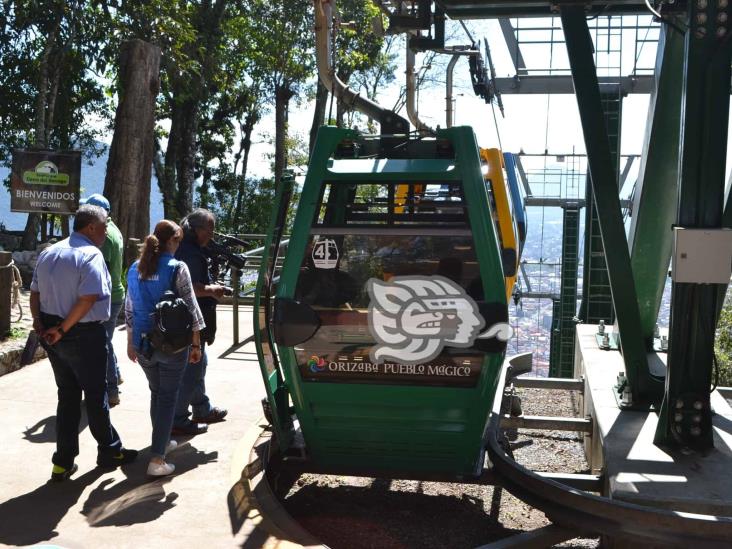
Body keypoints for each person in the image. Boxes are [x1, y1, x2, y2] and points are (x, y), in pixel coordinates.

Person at [30, 204, 138, 481]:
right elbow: (89, 297)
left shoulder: (49, 252)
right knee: (95, 395)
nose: (106, 232)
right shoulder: (90, 254)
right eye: (103, 227)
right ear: (90, 227)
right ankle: (110, 450)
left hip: (53, 331)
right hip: (81, 333)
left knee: (67, 397)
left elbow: (35, 293)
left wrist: (41, 324)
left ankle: (63, 462)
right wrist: (63, 329)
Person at [126, 220, 205, 476]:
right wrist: (196, 344)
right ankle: (157, 460)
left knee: (157, 392)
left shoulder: (135, 268)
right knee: (168, 397)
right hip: (171, 344)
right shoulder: (177, 268)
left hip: (142, 343)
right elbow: (192, 309)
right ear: (172, 241)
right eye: (179, 240)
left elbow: (129, 310)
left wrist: (130, 342)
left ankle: (161, 443)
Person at [172, 209, 228, 435]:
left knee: (198, 363)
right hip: (190, 321)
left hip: (191, 319)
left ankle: (202, 408)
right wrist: (213, 289)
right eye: (209, 230)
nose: (211, 235)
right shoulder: (190, 253)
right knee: (192, 370)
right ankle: (178, 419)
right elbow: (190, 287)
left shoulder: (189, 247)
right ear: (197, 229)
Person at [81, 193, 124, 407]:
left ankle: (112, 390)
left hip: (107, 297)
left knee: (101, 345)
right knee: (106, 339)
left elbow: (101, 271)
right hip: (116, 294)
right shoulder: (114, 229)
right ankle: (116, 374)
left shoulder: (104, 237)